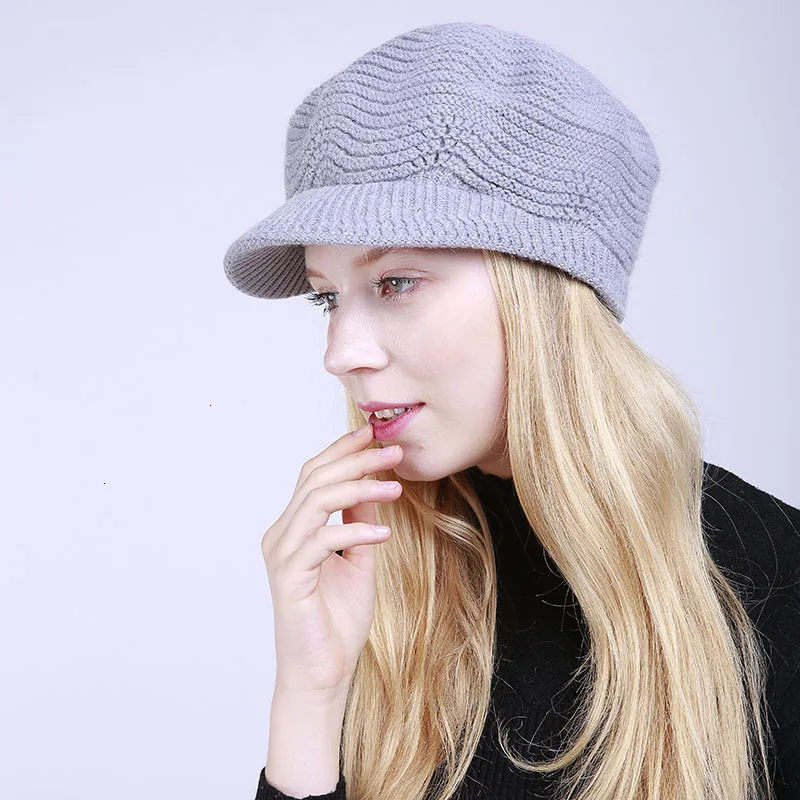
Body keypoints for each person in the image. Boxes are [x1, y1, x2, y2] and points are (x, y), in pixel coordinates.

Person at [221, 22, 800, 800]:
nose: (341, 352)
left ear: (541, 292)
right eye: (328, 298)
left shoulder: (773, 583)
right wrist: (310, 695)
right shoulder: (375, 576)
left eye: (395, 282)